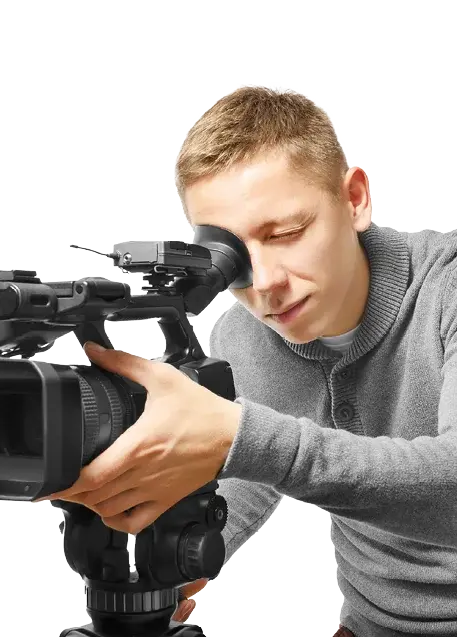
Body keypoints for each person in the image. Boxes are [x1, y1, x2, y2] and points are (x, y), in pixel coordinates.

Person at [171, 84, 457, 636]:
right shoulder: (243, 335)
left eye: (286, 233)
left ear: (356, 199)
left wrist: (241, 437)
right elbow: (252, 467)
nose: (264, 284)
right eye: (230, 256)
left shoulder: (447, 287)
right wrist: (179, 558)